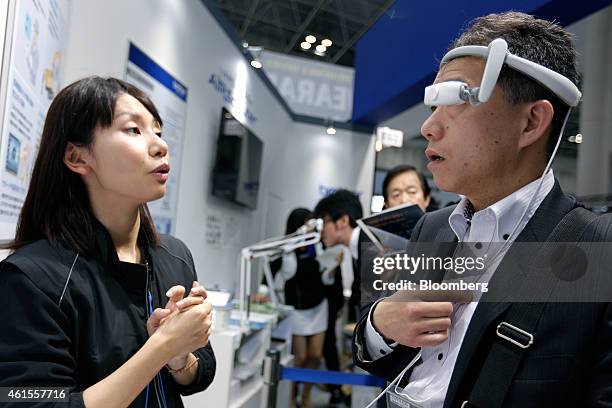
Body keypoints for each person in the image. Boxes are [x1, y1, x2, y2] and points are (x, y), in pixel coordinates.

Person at [353, 12, 612, 407]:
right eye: (432, 105)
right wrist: (380, 324)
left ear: (531, 122)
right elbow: (378, 355)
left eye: (457, 99)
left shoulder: (598, 249)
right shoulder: (432, 229)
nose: (429, 127)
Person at [0, 77, 215, 407]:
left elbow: (196, 376)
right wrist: (162, 346)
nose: (159, 145)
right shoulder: (33, 277)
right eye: (134, 130)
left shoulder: (175, 256)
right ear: (77, 158)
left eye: (158, 130)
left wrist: (180, 356)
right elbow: (30, 400)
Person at [270, 208, 336, 408]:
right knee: (299, 358)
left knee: (315, 355)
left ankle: (306, 395)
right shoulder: (287, 247)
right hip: (296, 310)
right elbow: (279, 271)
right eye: (307, 224)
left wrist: (332, 267)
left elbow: (326, 276)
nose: (311, 229)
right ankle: (290, 397)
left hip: (318, 306)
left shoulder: (317, 246)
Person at [314, 189, 363, 405]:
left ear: (342, 221)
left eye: (324, 223)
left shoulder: (371, 247)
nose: (321, 231)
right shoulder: (356, 248)